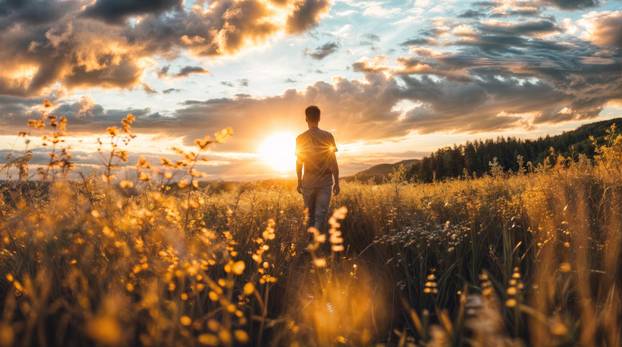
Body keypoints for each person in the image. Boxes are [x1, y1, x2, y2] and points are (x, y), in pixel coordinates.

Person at [296, 105, 340, 232]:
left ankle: (311, 244)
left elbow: (299, 162)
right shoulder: (328, 136)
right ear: (319, 118)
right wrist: (336, 182)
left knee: (309, 216)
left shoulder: (300, 138)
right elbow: (333, 161)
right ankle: (316, 245)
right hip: (325, 182)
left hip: (308, 181)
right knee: (320, 215)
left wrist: (299, 181)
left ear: (306, 119)